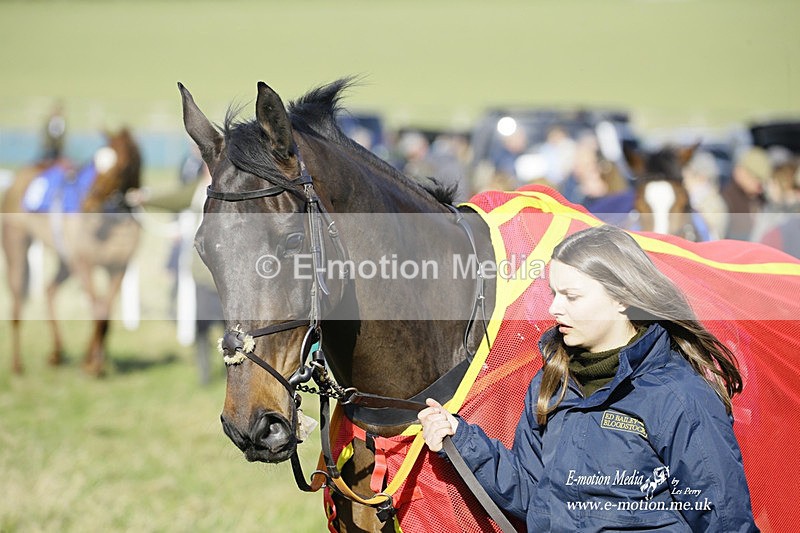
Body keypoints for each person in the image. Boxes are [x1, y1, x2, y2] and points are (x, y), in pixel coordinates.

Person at [418, 225, 756, 532]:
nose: (554, 309)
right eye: (554, 294)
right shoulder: (550, 382)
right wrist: (461, 438)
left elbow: (724, 522)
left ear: (622, 298)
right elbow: (535, 494)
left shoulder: (680, 396)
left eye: (572, 296)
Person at [721, 147, 771, 241]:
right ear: (740, 171)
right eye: (755, 177)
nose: (760, 185)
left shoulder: (761, 200)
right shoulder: (725, 200)